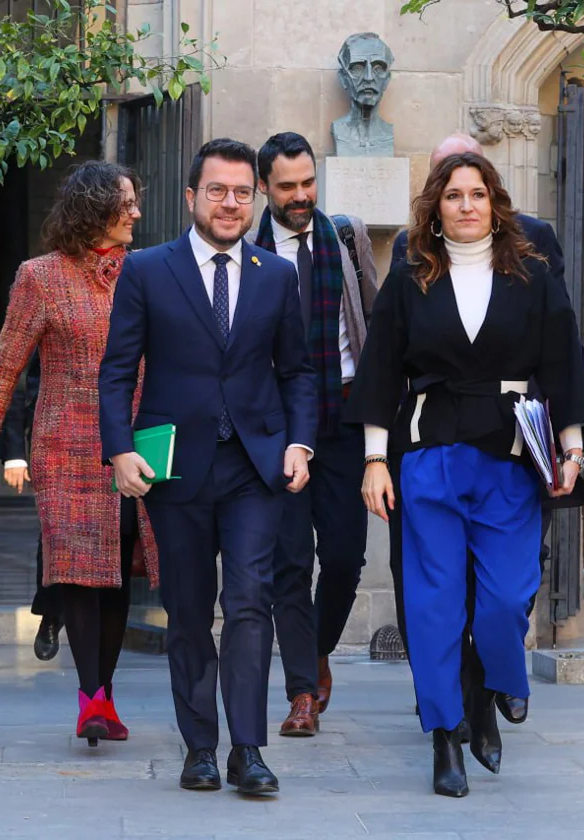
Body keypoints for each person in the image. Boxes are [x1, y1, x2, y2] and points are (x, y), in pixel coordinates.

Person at [347, 152, 584, 797]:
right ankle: (443, 739)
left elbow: (564, 362)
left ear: (495, 203)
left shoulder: (533, 276)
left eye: (477, 194)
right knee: (432, 607)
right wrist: (376, 461)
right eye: (453, 195)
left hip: (510, 459)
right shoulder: (410, 280)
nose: (466, 205)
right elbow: (378, 373)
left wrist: (573, 449)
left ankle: (486, 689)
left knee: (508, 598)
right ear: (436, 208)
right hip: (429, 455)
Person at [100, 138, 317, 795]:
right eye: (217, 191)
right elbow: (115, 373)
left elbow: (299, 374)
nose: (231, 203)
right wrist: (120, 449)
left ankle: (247, 749)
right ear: (192, 197)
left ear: (256, 201)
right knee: (189, 610)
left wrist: (299, 444)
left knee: (250, 601)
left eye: (243, 192)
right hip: (177, 471)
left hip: (255, 468)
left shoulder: (277, 275)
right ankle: (200, 746)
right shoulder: (147, 270)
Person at [0, 161, 157, 743]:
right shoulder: (39, 277)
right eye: (126, 203)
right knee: (79, 574)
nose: (136, 214)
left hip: (133, 449)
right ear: (95, 207)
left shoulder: (145, 273)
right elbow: (2, 370)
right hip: (64, 450)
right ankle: (90, 699)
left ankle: (106, 694)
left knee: (118, 574)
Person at [251, 132, 378, 736]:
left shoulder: (346, 237)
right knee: (290, 564)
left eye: (308, 183)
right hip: (279, 430)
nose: (301, 196)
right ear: (263, 189)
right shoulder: (250, 256)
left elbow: (373, 328)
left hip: (345, 421)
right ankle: (302, 691)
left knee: (347, 557)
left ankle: (318, 649)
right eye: (287, 187)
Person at [2, 351, 65, 661]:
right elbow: (20, 390)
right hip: (58, 444)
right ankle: (52, 614)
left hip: (113, 443)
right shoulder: (54, 317)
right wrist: (16, 454)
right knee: (55, 534)